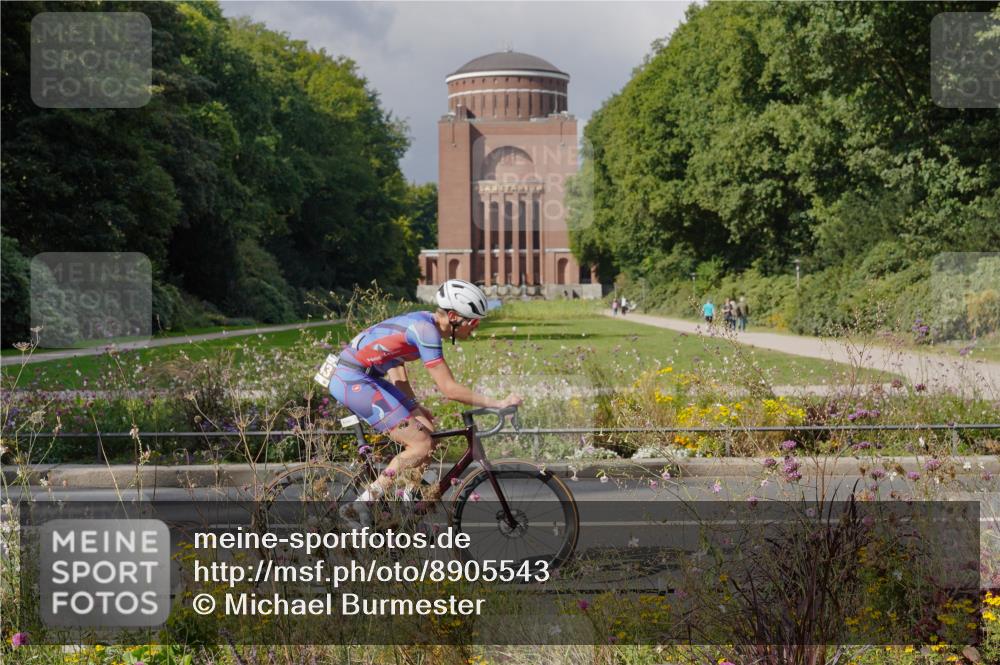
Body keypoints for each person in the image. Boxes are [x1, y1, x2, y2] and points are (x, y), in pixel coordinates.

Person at [327, 279, 522, 525]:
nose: (475, 328)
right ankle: (361, 505)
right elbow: (449, 389)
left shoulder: (424, 322)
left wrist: (414, 406)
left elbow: (395, 365)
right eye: (472, 322)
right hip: (352, 379)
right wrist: (498, 403)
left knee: (428, 433)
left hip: (362, 376)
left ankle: (407, 503)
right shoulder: (426, 331)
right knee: (420, 444)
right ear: (453, 317)